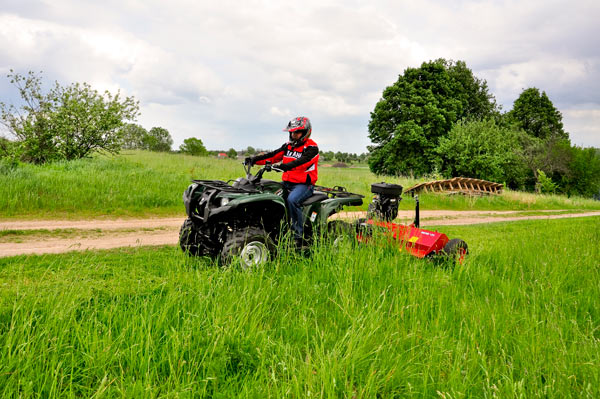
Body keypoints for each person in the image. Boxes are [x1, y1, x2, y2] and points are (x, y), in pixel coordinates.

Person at [246, 116, 319, 246]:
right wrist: (254, 159)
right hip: (287, 183)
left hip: (304, 185)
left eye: (297, 132)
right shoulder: (288, 146)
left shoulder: (312, 148)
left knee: (292, 200)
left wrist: (283, 166)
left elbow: (301, 162)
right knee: (269, 196)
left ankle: (298, 236)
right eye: (292, 132)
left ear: (305, 132)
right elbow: (273, 156)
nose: (293, 134)